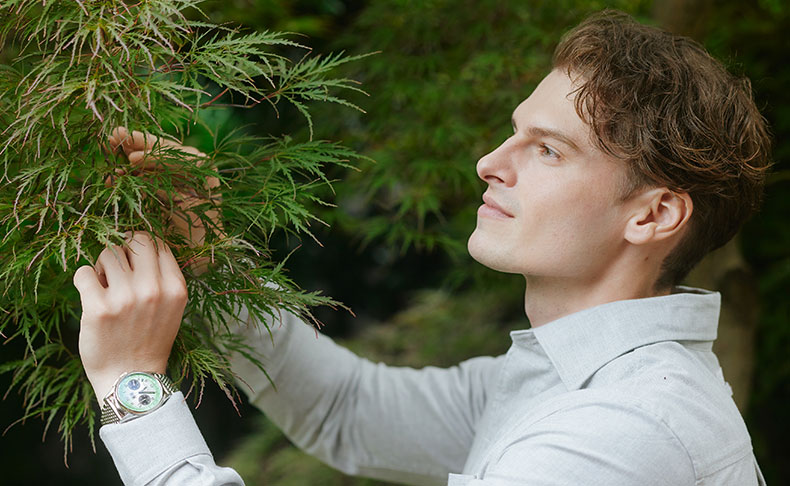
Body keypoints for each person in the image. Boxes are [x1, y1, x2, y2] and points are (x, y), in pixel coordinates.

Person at [72, 10, 771, 486]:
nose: (489, 163)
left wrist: (135, 388)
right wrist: (209, 259)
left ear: (652, 216)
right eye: (513, 132)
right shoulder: (559, 380)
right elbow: (346, 410)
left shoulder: (618, 432)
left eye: (548, 151)